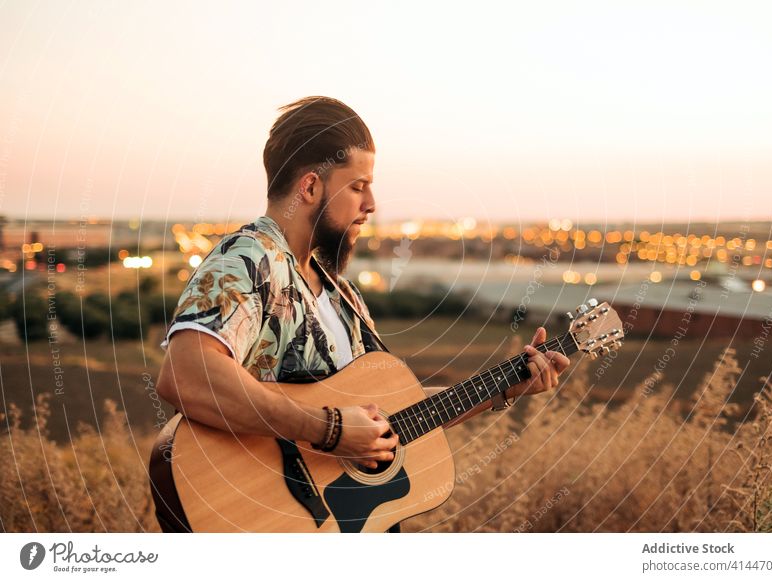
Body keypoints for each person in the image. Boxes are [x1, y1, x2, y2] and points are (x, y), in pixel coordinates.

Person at [155, 96, 571, 533]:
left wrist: (504, 387)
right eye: (357, 186)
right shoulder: (249, 259)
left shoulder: (341, 294)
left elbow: (390, 418)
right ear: (310, 187)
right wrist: (329, 431)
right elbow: (187, 374)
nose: (371, 203)